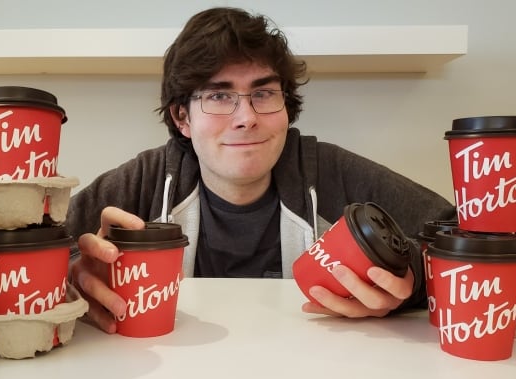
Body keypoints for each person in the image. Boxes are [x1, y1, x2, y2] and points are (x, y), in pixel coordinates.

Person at [65, 6, 456, 333]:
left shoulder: (327, 170)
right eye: (219, 95)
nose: (246, 118)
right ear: (182, 117)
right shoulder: (146, 180)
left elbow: (457, 236)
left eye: (263, 93)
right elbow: (31, 251)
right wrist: (71, 278)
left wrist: (413, 284)